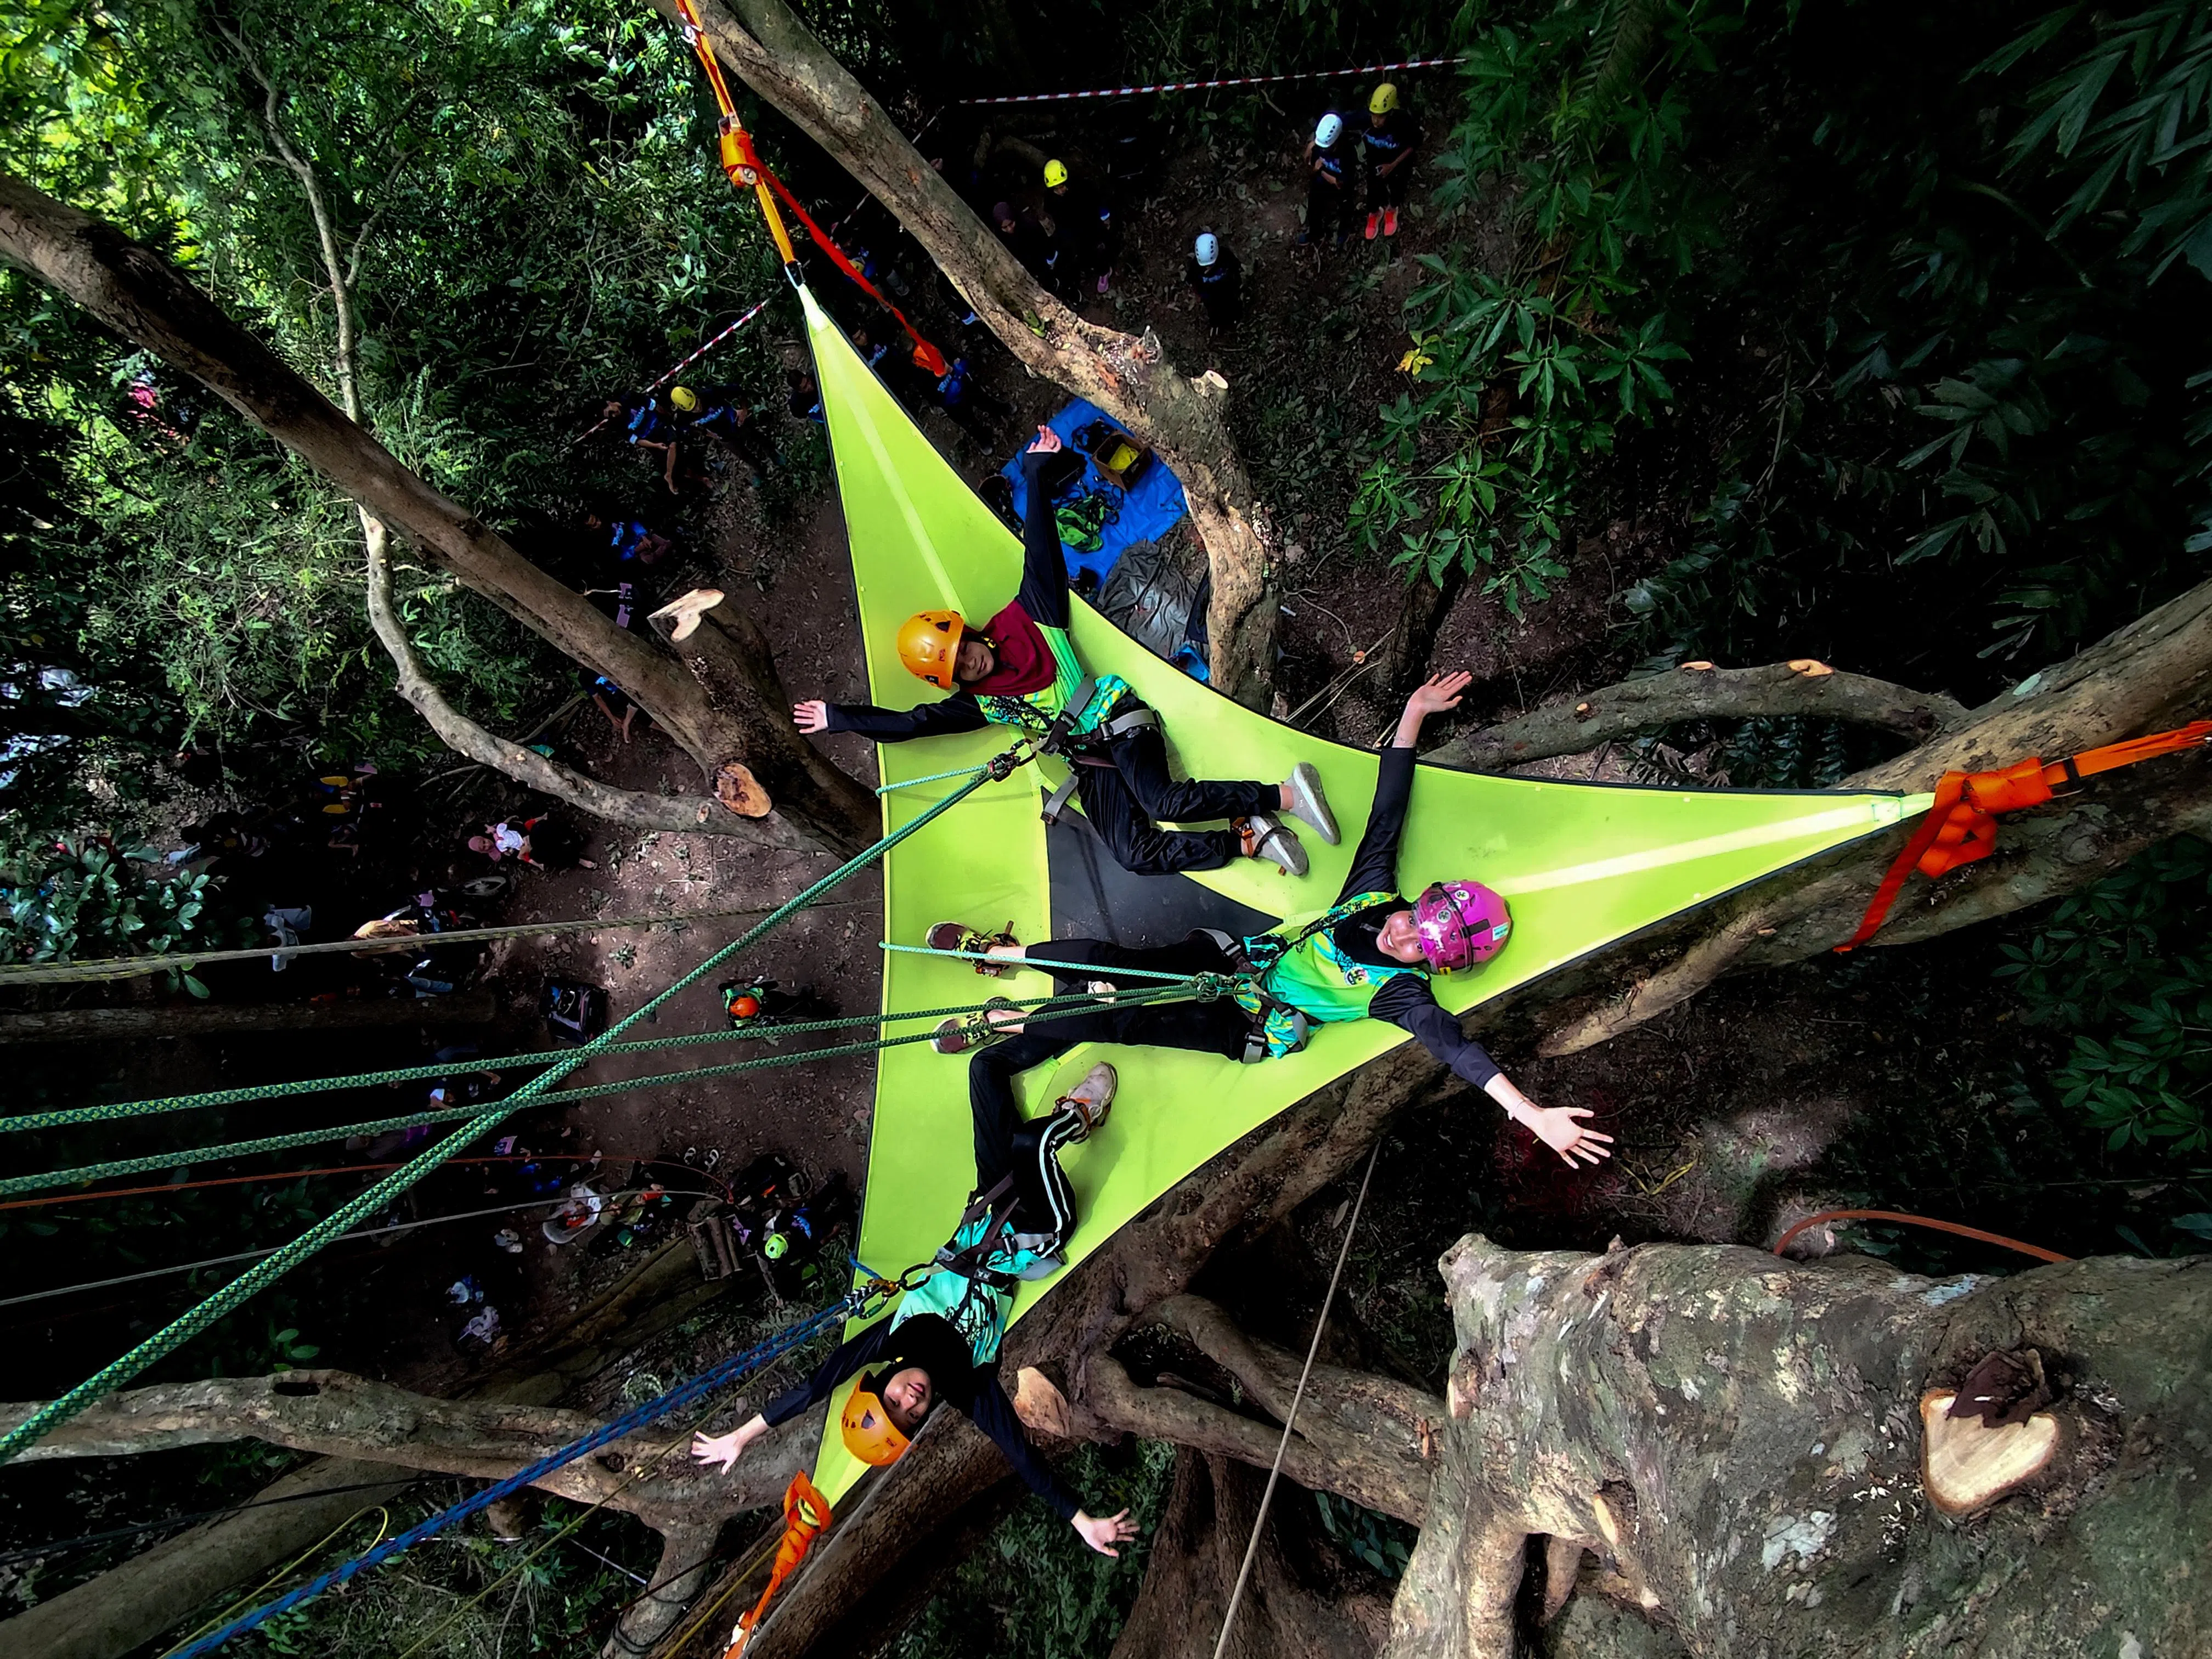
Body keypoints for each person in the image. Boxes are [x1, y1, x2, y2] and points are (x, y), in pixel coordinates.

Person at [929, 673, 1617, 1172]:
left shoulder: (1400, 995)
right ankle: (1007, 954)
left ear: (1430, 967)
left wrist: (1529, 1114)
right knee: (1108, 962)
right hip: (1231, 963)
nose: (1400, 937)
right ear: (1418, 903)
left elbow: (1458, 1050)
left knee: (1121, 1016)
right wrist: (1411, 716)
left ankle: (1005, 1024)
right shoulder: (1376, 895)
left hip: (1245, 1023)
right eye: (1415, 920)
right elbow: (1387, 815)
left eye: (1418, 948)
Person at [793, 426, 1336, 877]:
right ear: (950, 679)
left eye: (963, 648)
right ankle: (1245, 840)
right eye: (957, 667)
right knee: (1132, 856)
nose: (970, 662)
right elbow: (911, 725)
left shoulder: (1031, 617)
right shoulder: (981, 704)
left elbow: (1042, 553)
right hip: (1088, 759)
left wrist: (1033, 474)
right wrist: (841, 717)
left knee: (1163, 802)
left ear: (970, 633)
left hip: (1119, 722)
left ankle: (1285, 796)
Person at [691, 1062, 1141, 1558]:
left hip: (990, 1203)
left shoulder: (893, 1337)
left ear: (881, 1381)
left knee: (985, 1074)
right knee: (1031, 1144)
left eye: (893, 1401)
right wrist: (1081, 1522)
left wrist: (744, 1434)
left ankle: (1049, 1030)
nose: (910, 1399)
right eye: (912, 1415)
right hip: (1036, 1233)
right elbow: (1021, 1455)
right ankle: (1079, 1113)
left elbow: (815, 1386)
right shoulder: (970, 1386)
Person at [1042, 157, 1118, 296]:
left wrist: (1104, 216)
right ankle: (1094, 267)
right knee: (1084, 254)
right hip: (1073, 233)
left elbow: (1095, 200)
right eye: (1056, 188)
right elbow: (1055, 221)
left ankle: (1105, 271)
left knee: (1099, 250)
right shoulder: (1050, 201)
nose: (1060, 190)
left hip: (1090, 225)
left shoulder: (1080, 187)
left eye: (1062, 186)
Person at [1361, 82, 1423, 241]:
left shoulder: (1403, 122)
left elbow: (1413, 145)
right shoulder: (1365, 120)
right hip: (1375, 162)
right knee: (1373, 188)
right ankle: (1375, 213)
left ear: (1390, 113)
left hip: (1398, 161)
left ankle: (1392, 209)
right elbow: (1342, 121)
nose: (1375, 120)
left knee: (1398, 185)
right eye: (1373, 115)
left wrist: (1393, 165)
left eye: (1380, 116)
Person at [685, 385, 777, 482]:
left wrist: (744, 410)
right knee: (743, 455)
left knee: (756, 437)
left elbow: (739, 390)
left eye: (697, 404)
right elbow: (691, 428)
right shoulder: (685, 416)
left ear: (696, 396)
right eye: (693, 409)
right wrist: (709, 434)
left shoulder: (711, 393)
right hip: (724, 437)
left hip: (736, 423)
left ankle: (774, 454)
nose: (698, 408)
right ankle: (759, 470)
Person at [602, 391, 687, 494]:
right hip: (650, 439)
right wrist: (655, 446)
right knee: (676, 465)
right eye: (610, 417)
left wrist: (670, 418)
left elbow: (655, 406)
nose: (614, 416)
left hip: (660, 424)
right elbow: (637, 441)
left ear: (609, 403)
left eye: (611, 412)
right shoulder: (617, 424)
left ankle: (668, 475)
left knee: (673, 445)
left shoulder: (630, 398)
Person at [1300, 111, 1356, 248]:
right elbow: (1309, 170)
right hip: (1322, 182)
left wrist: (1322, 172)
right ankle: (1315, 232)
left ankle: (1344, 230)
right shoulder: (1318, 147)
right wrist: (1311, 161)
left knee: (1345, 205)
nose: (1323, 150)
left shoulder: (1348, 154)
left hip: (1341, 186)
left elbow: (1340, 183)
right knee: (1313, 202)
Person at [935, 354, 1016, 446]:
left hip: (962, 381)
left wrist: (959, 364)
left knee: (983, 399)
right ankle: (984, 441)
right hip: (950, 402)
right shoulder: (918, 371)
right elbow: (931, 396)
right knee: (969, 423)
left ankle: (1001, 410)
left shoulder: (926, 346)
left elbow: (948, 351)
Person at [1187, 232, 1243, 334]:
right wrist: (1198, 293)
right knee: (1213, 311)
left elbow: (1236, 269)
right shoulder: (1196, 267)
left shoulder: (1226, 257)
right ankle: (1216, 324)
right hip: (1210, 297)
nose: (1208, 268)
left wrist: (1237, 286)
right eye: (1205, 266)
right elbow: (1192, 279)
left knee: (1233, 308)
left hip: (1228, 294)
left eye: (1211, 264)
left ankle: (1234, 321)